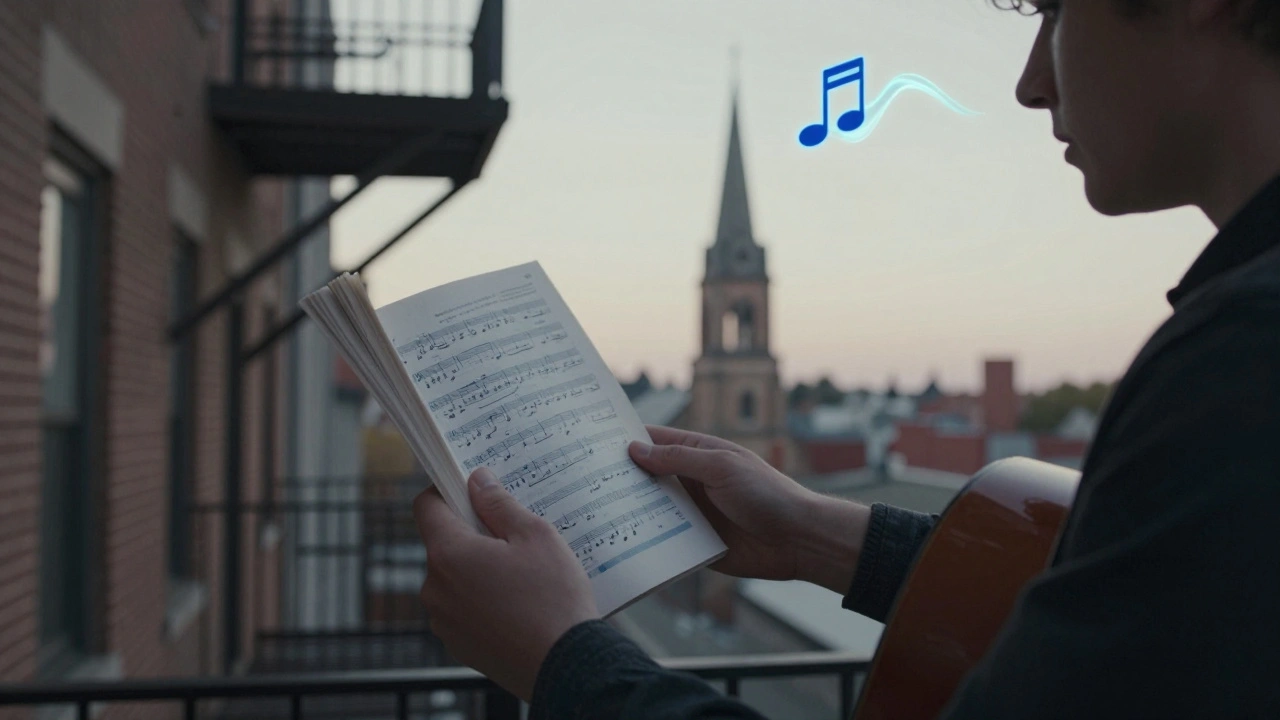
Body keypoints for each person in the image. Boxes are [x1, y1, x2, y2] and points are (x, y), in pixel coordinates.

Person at [411, 0, 1280, 716]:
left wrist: (565, 660)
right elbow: (1130, 611)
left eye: (1053, 11)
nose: (1028, 82)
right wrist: (816, 535)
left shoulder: (1241, 357)